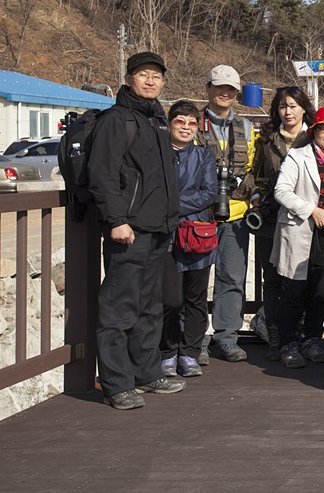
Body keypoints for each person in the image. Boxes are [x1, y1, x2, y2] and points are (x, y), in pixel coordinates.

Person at [88, 51, 183, 409]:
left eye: (156, 76)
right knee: (119, 308)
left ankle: (146, 373)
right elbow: (103, 174)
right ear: (129, 79)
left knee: (149, 307)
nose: (150, 81)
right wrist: (116, 220)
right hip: (128, 230)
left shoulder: (156, 119)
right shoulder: (117, 120)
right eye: (143, 74)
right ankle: (116, 385)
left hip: (157, 229)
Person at [270, 107, 324, 368]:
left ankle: (312, 339)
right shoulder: (297, 156)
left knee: (320, 291)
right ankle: (288, 343)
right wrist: (311, 210)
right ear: (314, 131)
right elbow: (281, 191)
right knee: (293, 291)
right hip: (299, 229)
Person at [247, 86, 316, 360]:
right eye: (282, 106)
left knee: (301, 278)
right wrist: (255, 195)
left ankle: (299, 335)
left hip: (304, 220)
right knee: (273, 279)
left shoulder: (314, 137)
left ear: (303, 108)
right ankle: (276, 335)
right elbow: (253, 173)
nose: (288, 111)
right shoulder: (266, 139)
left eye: (293, 106)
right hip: (270, 219)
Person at [197, 64, 257, 364]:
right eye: (219, 87)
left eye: (230, 89)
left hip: (236, 215)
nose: (224, 93)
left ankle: (227, 337)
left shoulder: (247, 128)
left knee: (232, 278)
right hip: (198, 215)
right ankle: (195, 340)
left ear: (237, 94)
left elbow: (252, 168)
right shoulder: (192, 123)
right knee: (195, 280)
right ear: (208, 88)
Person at [160, 100, 218, 380]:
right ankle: (167, 351)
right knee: (169, 299)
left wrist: (170, 204)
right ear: (170, 123)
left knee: (196, 298)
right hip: (166, 236)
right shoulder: (158, 154)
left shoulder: (204, 157)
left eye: (191, 123)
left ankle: (190, 353)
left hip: (196, 234)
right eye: (180, 122)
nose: (186, 128)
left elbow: (208, 193)